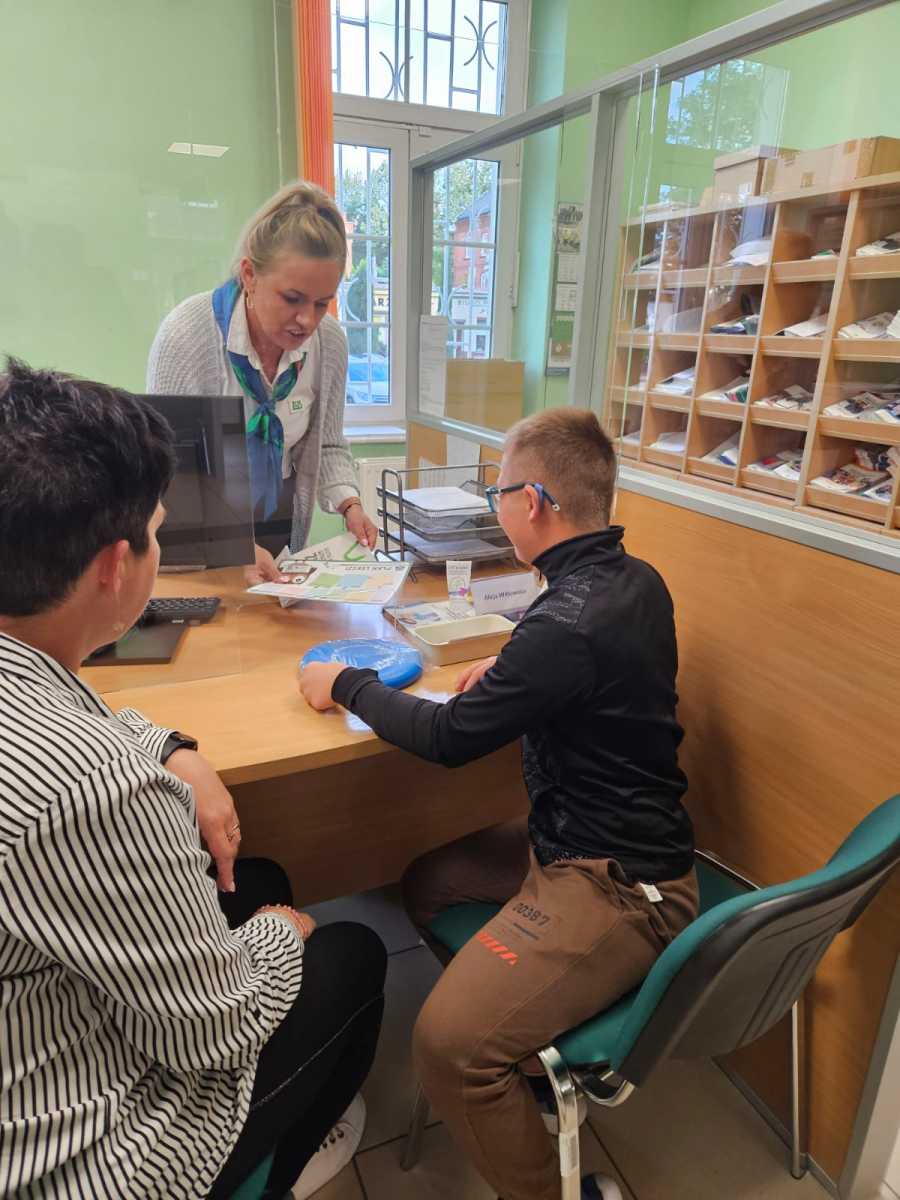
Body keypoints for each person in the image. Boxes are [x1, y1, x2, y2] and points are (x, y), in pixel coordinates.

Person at [0, 359, 386, 1199]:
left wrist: (174, 746)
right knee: (347, 951)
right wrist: (280, 934)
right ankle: (281, 1163)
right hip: (85, 1156)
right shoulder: (94, 790)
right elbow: (217, 1030)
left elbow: (83, 721)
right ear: (116, 566)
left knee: (257, 875)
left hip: (38, 1025)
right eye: (159, 529)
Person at [299, 407, 698, 1200]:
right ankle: (528, 1053)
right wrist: (515, 668)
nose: (496, 507)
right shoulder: (631, 580)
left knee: (445, 1046)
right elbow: (579, 665)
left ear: (535, 502)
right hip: (573, 838)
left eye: (500, 493)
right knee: (428, 884)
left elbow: (447, 738)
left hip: (620, 885)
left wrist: (345, 683)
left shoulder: (565, 625)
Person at [147, 181, 378, 583]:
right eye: (292, 298)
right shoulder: (187, 335)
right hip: (200, 531)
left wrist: (350, 504)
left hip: (279, 516)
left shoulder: (329, 344)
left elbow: (327, 444)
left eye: (322, 303)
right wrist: (231, 544)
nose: (307, 320)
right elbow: (168, 474)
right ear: (250, 275)